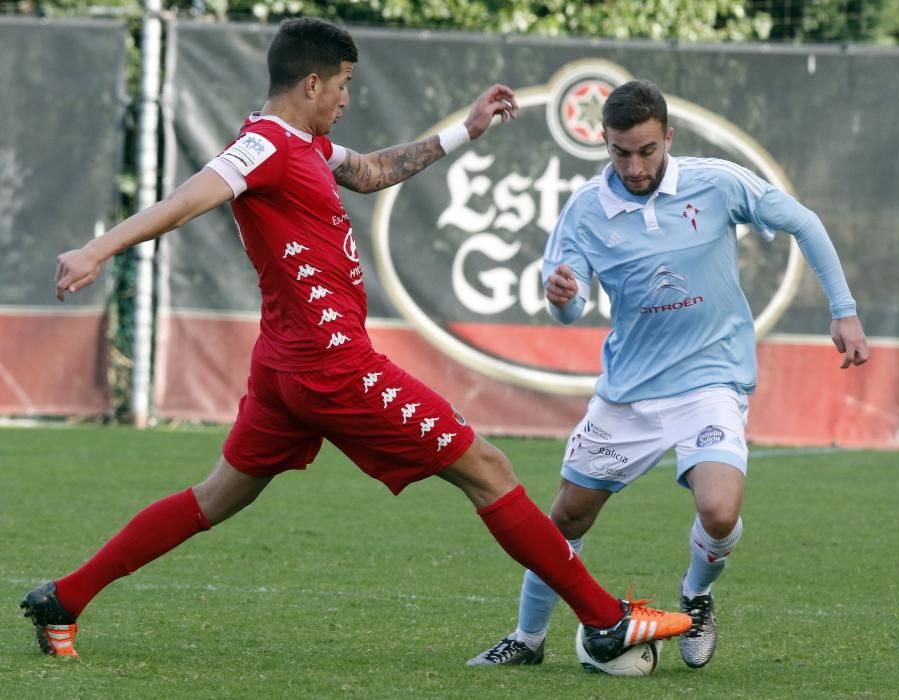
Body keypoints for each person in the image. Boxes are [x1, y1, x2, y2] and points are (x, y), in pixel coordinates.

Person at [22, 20, 692, 661]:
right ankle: (606, 622)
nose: (347, 98)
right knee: (487, 469)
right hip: (330, 368)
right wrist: (99, 248)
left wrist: (465, 129)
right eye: (342, 83)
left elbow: (370, 171)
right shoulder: (262, 146)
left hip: (283, 369)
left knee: (214, 497)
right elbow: (191, 196)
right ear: (310, 83)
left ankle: (65, 599)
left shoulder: (305, 145)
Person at [467, 79, 870, 669]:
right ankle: (527, 639)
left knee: (720, 512)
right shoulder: (584, 212)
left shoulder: (716, 182)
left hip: (711, 381)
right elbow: (569, 308)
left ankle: (697, 595)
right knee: (565, 519)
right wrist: (561, 296)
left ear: (668, 139)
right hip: (629, 394)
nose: (633, 166)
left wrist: (844, 310)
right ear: (604, 141)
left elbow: (803, 222)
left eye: (646, 151)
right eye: (620, 151)